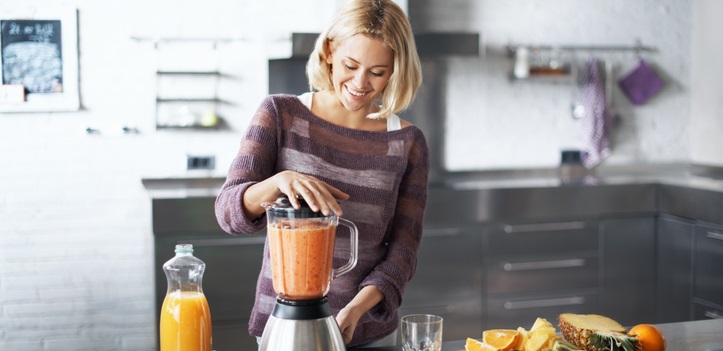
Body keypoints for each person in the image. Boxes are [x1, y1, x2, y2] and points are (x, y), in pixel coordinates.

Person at [214, 0, 428, 348]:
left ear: (395, 71)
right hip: (285, 328)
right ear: (329, 51)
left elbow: (403, 252)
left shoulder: (407, 143)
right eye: (350, 65)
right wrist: (276, 183)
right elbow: (226, 212)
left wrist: (356, 309)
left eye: (377, 72)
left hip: (367, 332)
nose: (360, 83)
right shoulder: (280, 115)